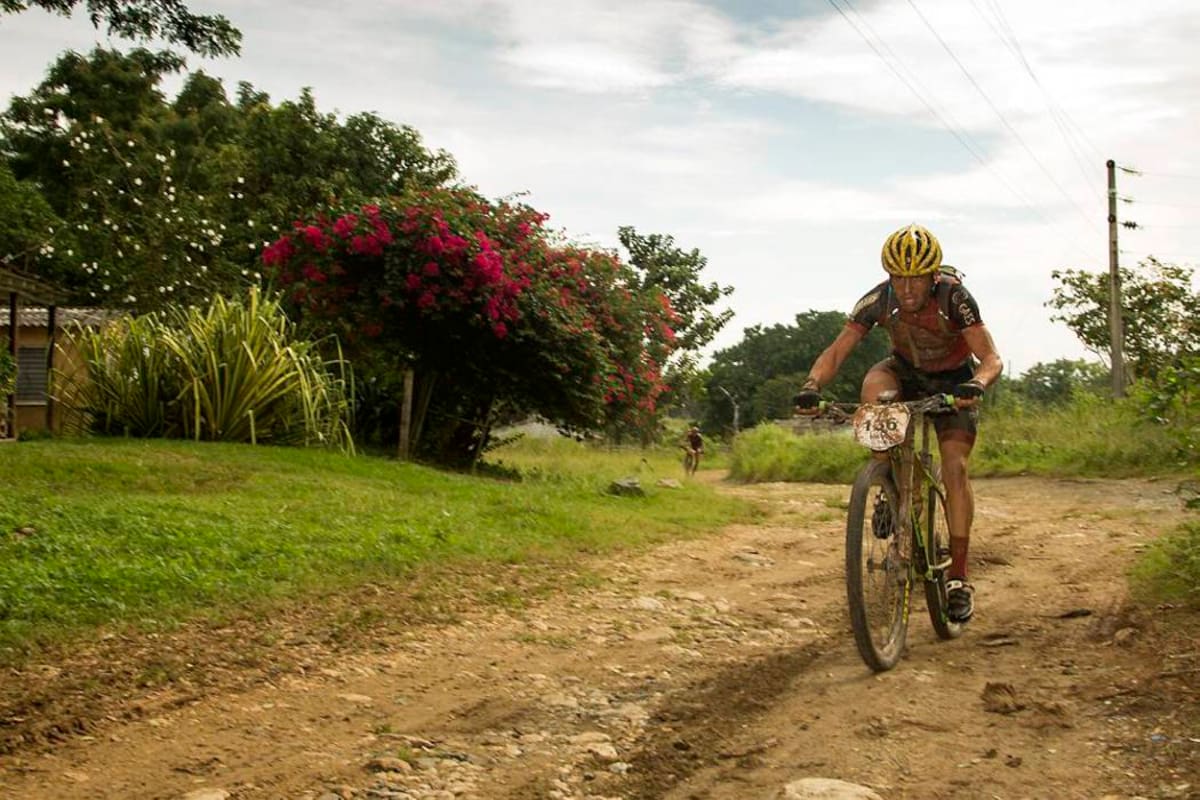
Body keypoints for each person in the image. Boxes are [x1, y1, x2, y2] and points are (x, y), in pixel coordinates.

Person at [794, 224, 1002, 623]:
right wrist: (811, 385)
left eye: (916, 278)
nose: (907, 288)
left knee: (955, 468)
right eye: (899, 278)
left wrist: (976, 384)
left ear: (933, 275)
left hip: (955, 380)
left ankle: (958, 579)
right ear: (889, 276)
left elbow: (991, 358)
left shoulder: (955, 298)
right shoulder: (878, 300)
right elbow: (837, 352)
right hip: (904, 372)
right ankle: (887, 481)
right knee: (873, 386)